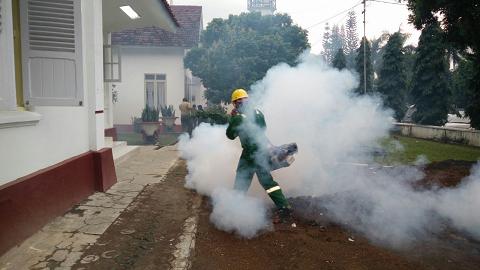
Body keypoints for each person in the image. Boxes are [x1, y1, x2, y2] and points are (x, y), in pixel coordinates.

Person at [226, 88, 293, 223]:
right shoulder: (259, 113)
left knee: (242, 180)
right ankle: (284, 208)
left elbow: (230, 135)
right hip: (263, 150)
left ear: (236, 103)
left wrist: (232, 118)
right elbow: (262, 130)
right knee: (268, 182)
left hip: (250, 154)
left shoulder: (238, 118)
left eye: (235, 103)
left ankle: (234, 209)